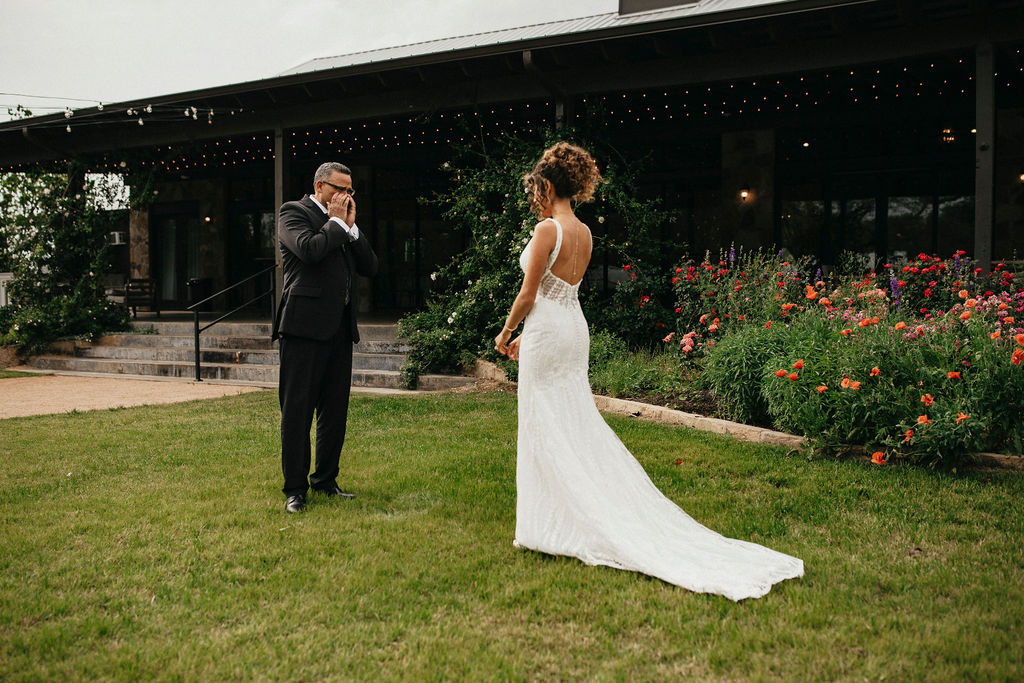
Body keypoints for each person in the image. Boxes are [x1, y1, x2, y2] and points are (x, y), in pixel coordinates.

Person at [494, 142, 803, 600]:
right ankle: (562, 512)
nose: (532, 194)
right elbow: (561, 293)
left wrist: (505, 333)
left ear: (546, 183)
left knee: (544, 421)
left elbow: (528, 294)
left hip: (549, 331)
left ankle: (552, 523)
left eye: (535, 186)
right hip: (572, 330)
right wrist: (530, 332)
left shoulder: (546, 230)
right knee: (572, 419)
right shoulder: (583, 232)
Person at [273, 162, 378, 513]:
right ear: (320, 186)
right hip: (302, 328)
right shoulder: (293, 213)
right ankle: (295, 489)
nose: (346, 196)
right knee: (297, 412)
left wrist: (352, 229)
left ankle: (326, 479)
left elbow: (371, 267)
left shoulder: (344, 225)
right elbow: (310, 250)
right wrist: (335, 223)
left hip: (339, 331)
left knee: (335, 412)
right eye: (340, 189)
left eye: (350, 190)